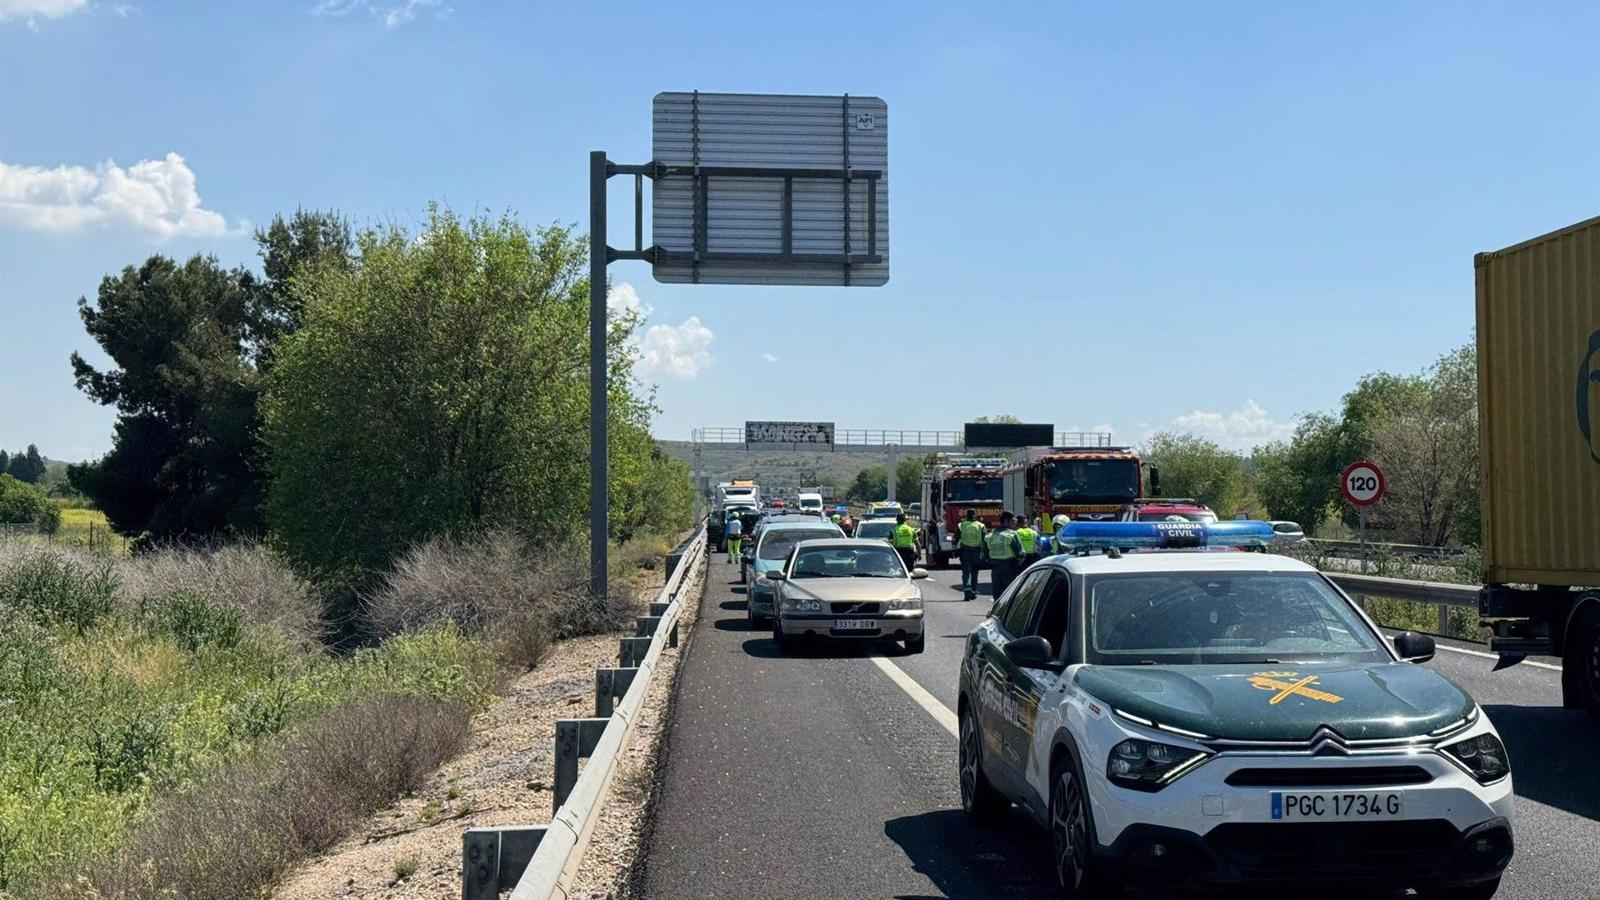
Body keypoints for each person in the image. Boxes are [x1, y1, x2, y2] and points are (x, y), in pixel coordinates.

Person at [985, 512, 1024, 599]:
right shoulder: (1011, 534)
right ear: (1006, 521)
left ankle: (997, 611)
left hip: (995, 569)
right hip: (1010, 568)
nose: (1015, 523)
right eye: (1013, 520)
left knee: (997, 596)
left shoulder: (990, 535)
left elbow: (986, 553)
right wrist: (1017, 566)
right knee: (1010, 596)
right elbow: (1021, 554)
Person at [956, 508, 986, 601]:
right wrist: (985, 552)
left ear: (966, 516)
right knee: (975, 572)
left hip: (965, 551)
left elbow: (955, 538)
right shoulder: (981, 525)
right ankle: (973, 591)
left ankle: (967, 590)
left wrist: (954, 550)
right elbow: (985, 539)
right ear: (975, 516)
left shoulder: (961, 525)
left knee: (966, 572)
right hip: (977, 551)